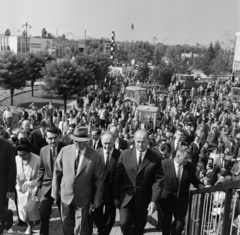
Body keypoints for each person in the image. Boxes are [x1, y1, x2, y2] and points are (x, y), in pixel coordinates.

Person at [51, 126, 105, 235]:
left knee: (81, 228)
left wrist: (97, 201)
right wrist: (55, 192)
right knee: (66, 223)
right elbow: (57, 172)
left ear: (87, 141)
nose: (78, 144)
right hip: (66, 195)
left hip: (83, 197)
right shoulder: (64, 151)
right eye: (76, 141)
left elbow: (99, 180)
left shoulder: (96, 156)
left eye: (81, 142)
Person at [113, 129, 164, 235]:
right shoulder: (124, 154)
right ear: (134, 141)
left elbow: (158, 181)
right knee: (124, 222)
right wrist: (115, 196)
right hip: (126, 197)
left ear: (148, 141)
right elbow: (118, 177)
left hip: (143, 199)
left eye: (143, 142)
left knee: (139, 227)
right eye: (138, 142)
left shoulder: (155, 158)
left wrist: (154, 201)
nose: (140, 144)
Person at [160, 146, 203, 235]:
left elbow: (193, 178)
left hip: (181, 201)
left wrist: (199, 184)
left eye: (188, 157)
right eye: (185, 158)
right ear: (178, 155)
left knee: (179, 226)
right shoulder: (164, 164)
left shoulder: (190, 167)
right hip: (166, 200)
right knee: (166, 225)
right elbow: (157, 181)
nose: (187, 160)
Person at [32, 127, 66, 235]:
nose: (53, 141)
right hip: (47, 186)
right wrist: (37, 186)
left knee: (64, 215)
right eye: (50, 138)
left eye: (55, 138)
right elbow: (41, 169)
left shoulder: (66, 149)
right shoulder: (43, 150)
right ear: (46, 138)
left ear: (59, 136)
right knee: (43, 211)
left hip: (62, 186)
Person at [89, 131, 121, 235]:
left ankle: (103, 233)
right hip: (97, 192)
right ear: (101, 142)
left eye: (110, 143)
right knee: (95, 215)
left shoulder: (120, 155)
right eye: (105, 143)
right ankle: (102, 230)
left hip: (112, 193)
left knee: (110, 218)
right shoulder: (95, 153)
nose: (107, 146)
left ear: (114, 142)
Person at [15, 138, 41, 234]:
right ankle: (29, 226)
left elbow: (42, 175)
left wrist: (33, 182)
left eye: (24, 155)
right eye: (19, 154)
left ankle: (36, 221)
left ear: (29, 151)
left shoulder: (38, 159)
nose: (21, 157)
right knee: (23, 210)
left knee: (31, 209)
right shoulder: (16, 159)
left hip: (34, 189)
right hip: (21, 189)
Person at [0, 138, 16, 233]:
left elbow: (12, 169)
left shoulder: (7, 146)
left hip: (2, 186)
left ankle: (8, 214)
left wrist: (10, 188)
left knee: (1, 209)